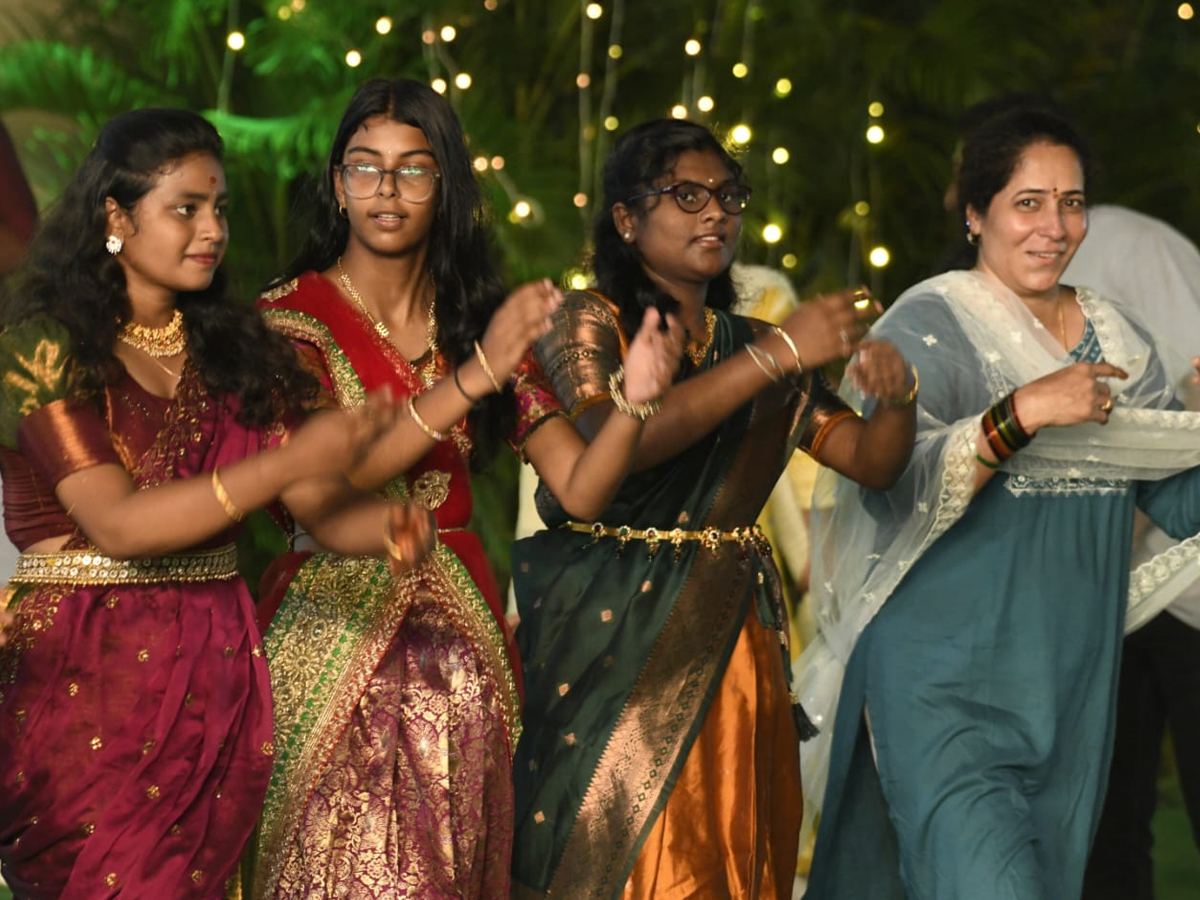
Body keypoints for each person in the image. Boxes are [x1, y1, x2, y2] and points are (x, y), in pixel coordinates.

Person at [249, 79, 681, 900]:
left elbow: (580, 489)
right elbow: (318, 485)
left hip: (460, 660)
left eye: (413, 169)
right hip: (333, 643)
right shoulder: (289, 320)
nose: (386, 190)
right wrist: (472, 377)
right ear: (337, 183)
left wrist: (633, 400)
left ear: (445, 185)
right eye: (365, 167)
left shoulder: (473, 325)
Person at [0, 108, 438, 899]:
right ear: (115, 215)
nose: (211, 230)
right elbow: (117, 523)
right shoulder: (44, 345)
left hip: (212, 673)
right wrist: (295, 460)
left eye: (220, 209)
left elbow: (316, 507)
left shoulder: (235, 353)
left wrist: (387, 527)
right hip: (84, 676)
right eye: (186, 209)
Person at [510, 117, 918, 900]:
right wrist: (777, 356)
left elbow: (870, 461)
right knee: (619, 854)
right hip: (610, 633)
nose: (716, 213)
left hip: (735, 642)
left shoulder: (762, 340)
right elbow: (618, 439)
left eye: (729, 196)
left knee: (729, 852)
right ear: (626, 219)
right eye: (687, 195)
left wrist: (898, 402)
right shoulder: (588, 319)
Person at [797, 108, 1200, 900]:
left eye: (1072, 203)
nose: (1055, 226)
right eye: (1029, 202)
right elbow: (885, 488)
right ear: (976, 213)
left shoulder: (1119, 337)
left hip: (1068, 691)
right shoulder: (929, 326)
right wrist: (1021, 415)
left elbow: (1173, 496)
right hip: (944, 688)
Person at [1065, 205, 1200, 899]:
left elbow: (1185, 405)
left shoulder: (1135, 246)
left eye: (1064, 198)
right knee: (1107, 822)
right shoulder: (966, 300)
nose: (1051, 221)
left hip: (1185, 585)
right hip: (1097, 597)